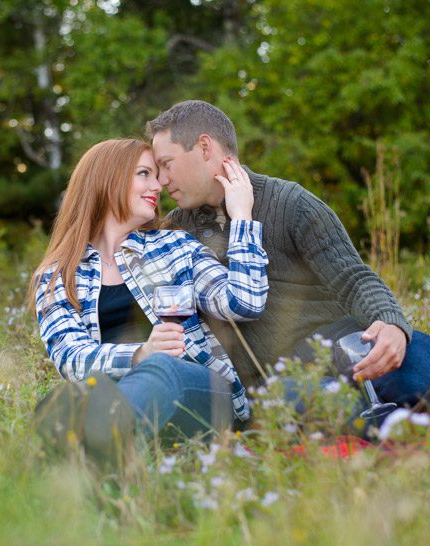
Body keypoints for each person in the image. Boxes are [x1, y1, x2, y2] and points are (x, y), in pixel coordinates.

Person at [146, 100, 430, 419]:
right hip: (282, 381)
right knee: (314, 408)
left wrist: (391, 323)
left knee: (428, 372)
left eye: (166, 164)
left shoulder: (291, 203)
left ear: (205, 148)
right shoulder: (178, 229)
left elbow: (354, 278)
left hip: (345, 346)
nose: (161, 181)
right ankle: (383, 425)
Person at [29, 138, 268, 463]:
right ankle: (104, 450)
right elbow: (71, 359)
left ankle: (86, 437)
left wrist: (241, 217)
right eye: (144, 173)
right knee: (136, 371)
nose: (158, 185)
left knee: (162, 367)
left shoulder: (175, 246)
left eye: (156, 175)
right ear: (107, 179)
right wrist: (140, 352)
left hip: (202, 394)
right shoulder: (58, 276)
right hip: (126, 401)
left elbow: (244, 301)